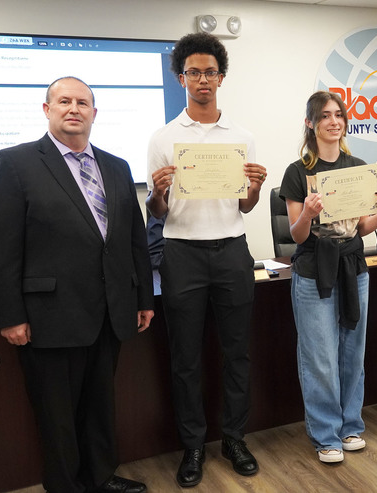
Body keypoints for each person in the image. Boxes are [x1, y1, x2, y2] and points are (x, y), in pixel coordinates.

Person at [0, 77, 154, 493]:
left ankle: (101, 476)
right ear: (47, 109)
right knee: (56, 413)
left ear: (94, 112)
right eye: (64, 101)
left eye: (82, 102)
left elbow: (134, 240)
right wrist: (10, 314)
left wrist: (142, 297)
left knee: (99, 405)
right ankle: (65, 486)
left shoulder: (116, 166)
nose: (73, 108)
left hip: (110, 311)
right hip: (49, 315)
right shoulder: (16, 162)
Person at [146, 32, 266, 486]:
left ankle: (234, 438)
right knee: (186, 357)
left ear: (221, 78)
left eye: (210, 72)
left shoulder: (242, 136)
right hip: (182, 254)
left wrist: (253, 187)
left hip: (233, 250)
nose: (202, 80)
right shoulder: (164, 138)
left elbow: (245, 207)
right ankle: (193, 445)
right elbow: (158, 213)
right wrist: (158, 194)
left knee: (238, 353)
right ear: (181, 79)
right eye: (193, 72)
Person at [279, 91, 377, 464]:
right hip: (314, 272)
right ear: (311, 124)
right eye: (324, 116)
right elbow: (297, 236)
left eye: (339, 115)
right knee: (320, 357)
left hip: (353, 269)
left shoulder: (357, 166)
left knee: (351, 351)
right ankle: (324, 434)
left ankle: (350, 426)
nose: (334, 121)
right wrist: (308, 215)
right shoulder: (298, 172)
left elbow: (361, 227)